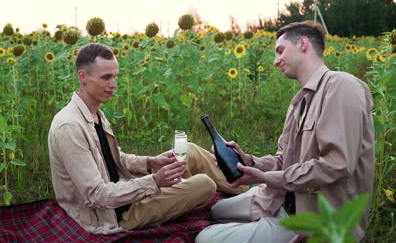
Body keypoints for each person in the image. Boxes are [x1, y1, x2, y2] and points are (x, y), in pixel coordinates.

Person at [196, 21, 375, 243]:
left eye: (280, 50)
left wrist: (266, 178)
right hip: (280, 199)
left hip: (312, 219)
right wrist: (251, 162)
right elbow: (285, 160)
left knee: (205, 238)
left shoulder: (341, 86)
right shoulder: (299, 103)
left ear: (302, 44)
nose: (275, 61)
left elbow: (337, 164)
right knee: (215, 210)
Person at [48, 43, 248, 235]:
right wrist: (154, 182)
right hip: (113, 214)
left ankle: (246, 185)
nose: (113, 85)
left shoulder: (94, 113)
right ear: (82, 76)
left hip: (125, 187)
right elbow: (96, 195)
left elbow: (110, 158)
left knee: (190, 150)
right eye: (106, 77)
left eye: (115, 77)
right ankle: (246, 199)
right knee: (205, 184)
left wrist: (150, 162)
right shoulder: (69, 127)